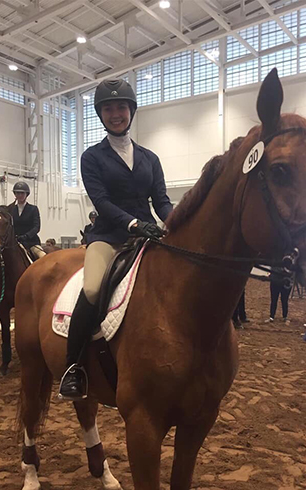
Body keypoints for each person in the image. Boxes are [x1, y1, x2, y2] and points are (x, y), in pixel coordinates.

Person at [59, 79, 173, 400]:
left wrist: (178, 221)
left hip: (148, 236)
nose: (115, 113)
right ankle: (74, 368)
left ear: (131, 110)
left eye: (121, 107)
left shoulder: (150, 158)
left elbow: (161, 201)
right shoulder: (92, 157)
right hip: (109, 237)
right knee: (93, 288)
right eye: (108, 109)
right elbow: (102, 202)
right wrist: (134, 223)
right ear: (101, 114)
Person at [12, 181, 46, 260]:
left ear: (26, 194)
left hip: (31, 243)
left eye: (22, 193)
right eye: (18, 193)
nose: (20, 195)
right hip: (14, 243)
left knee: (43, 257)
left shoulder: (33, 209)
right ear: (15, 194)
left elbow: (36, 227)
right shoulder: (11, 209)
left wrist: (26, 236)